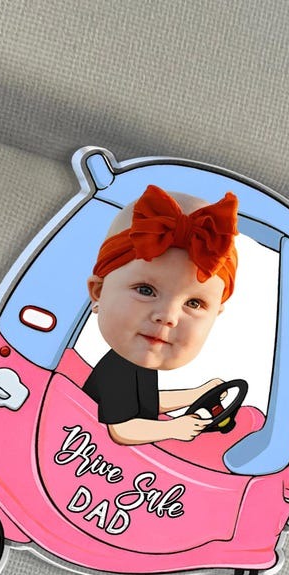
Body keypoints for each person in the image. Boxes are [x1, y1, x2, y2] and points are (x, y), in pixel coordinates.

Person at [82, 184, 238, 445]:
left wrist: (197, 393)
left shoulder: (139, 361)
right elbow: (121, 429)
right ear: (99, 292)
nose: (168, 317)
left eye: (194, 303)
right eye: (146, 290)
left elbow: (149, 403)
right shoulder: (118, 367)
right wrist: (173, 429)